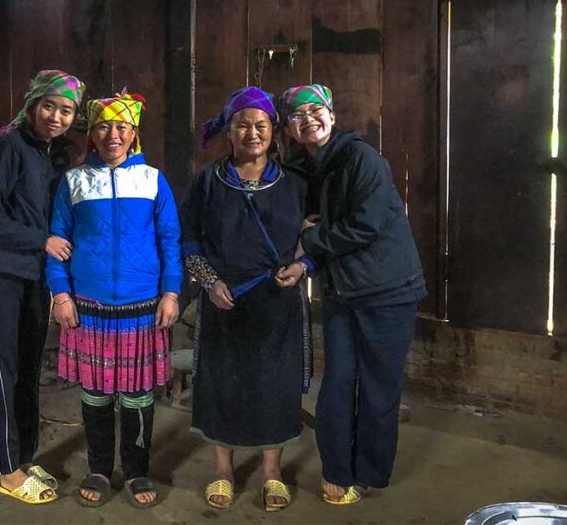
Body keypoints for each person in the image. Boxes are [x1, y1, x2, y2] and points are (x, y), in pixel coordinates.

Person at [279, 84, 426, 506]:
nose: (309, 119)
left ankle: (369, 474)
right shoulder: (302, 167)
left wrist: (313, 237)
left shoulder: (362, 159)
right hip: (343, 290)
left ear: (331, 114)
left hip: (388, 290)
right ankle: (337, 469)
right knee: (338, 383)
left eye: (316, 110)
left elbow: (366, 226)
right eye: (298, 115)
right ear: (289, 128)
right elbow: (298, 218)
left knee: (379, 387)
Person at [180, 86, 314, 512]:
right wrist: (207, 281)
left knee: (274, 383)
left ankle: (272, 472)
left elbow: (313, 234)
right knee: (223, 381)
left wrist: (303, 264)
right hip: (224, 298)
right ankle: (223, 470)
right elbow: (190, 238)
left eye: (261, 125)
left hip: (278, 297)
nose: (252, 132)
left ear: (274, 132)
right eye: (243, 125)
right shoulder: (208, 180)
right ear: (229, 131)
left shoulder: (293, 182)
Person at [46, 91, 182, 509]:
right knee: (97, 396)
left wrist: (172, 291)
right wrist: (61, 294)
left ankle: (138, 469)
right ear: (92, 133)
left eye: (122, 127)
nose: (113, 135)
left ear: (134, 133)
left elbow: (170, 240)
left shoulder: (154, 180)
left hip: (142, 307)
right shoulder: (73, 182)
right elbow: (57, 243)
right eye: (104, 126)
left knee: (138, 397)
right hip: (88, 308)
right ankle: (100, 469)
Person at [0, 69, 85, 505]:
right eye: (49, 106)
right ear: (33, 105)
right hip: (0, 273)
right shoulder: (10, 147)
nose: (56, 116)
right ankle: (6, 470)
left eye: (66, 110)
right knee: (2, 372)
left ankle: (23, 456)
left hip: (35, 275)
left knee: (28, 369)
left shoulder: (50, 153)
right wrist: (41, 240)